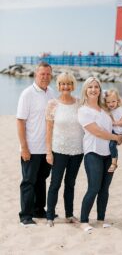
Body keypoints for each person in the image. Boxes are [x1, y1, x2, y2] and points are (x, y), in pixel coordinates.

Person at [78, 77, 122, 232]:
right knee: (94, 187)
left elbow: (115, 125)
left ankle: (101, 219)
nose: (93, 89)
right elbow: (97, 132)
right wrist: (116, 137)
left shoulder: (105, 109)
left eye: (96, 86)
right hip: (93, 153)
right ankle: (84, 220)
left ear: (100, 90)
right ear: (85, 90)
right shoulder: (83, 110)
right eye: (90, 87)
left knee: (105, 188)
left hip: (109, 154)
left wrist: (120, 136)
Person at [17, 62, 55, 226]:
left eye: (48, 74)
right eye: (42, 74)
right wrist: (24, 147)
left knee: (42, 179)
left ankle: (39, 210)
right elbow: (20, 122)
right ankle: (25, 215)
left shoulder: (52, 93)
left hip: (47, 148)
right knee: (28, 181)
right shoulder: (27, 94)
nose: (45, 77)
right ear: (35, 75)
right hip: (31, 147)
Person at [45, 72, 84, 227]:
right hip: (58, 149)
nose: (65, 86)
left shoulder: (80, 103)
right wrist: (48, 152)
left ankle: (69, 214)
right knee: (55, 183)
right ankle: (50, 216)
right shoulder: (52, 104)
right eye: (62, 84)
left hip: (77, 150)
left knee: (70, 183)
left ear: (73, 85)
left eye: (68, 83)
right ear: (58, 86)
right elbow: (48, 130)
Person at [103, 89, 122, 172]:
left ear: (117, 100)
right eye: (108, 102)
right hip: (114, 131)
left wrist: (114, 123)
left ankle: (114, 163)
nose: (111, 104)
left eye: (113, 101)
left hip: (119, 131)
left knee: (112, 145)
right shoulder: (110, 110)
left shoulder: (120, 110)